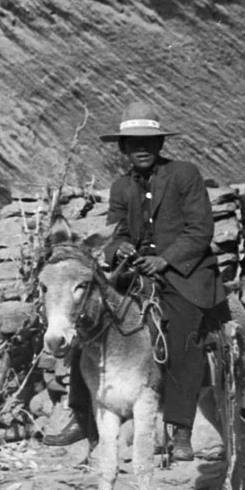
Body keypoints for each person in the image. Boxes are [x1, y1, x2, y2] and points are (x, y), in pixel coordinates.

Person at [98, 100, 222, 462]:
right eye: (133, 142)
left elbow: (200, 231)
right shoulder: (121, 186)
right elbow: (116, 233)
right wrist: (120, 250)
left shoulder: (184, 174)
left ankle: (181, 428)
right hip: (137, 274)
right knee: (89, 316)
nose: (141, 148)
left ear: (160, 145)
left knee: (183, 330)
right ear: (122, 147)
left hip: (184, 274)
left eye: (149, 142)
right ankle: (81, 414)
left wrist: (164, 260)